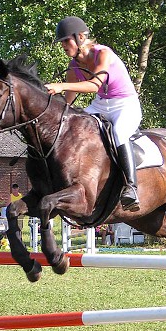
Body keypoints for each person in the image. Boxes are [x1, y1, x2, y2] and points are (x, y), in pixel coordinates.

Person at [44, 16, 142, 212]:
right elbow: (68, 101)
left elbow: (95, 84)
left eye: (66, 40)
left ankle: (131, 187)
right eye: (62, 42)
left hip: (125, 104)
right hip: (100, 105)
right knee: (74, 126)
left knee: (119, 133)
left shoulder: (103, 54)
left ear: (80, 37)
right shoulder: (74, 66)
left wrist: (60, 85)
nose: (63, 45)